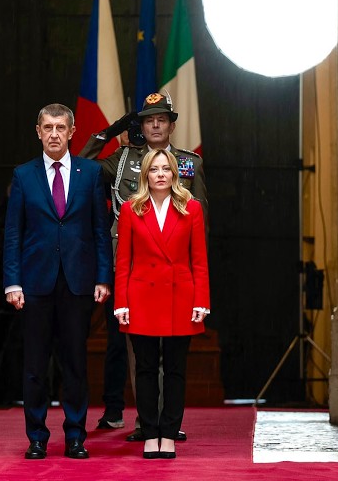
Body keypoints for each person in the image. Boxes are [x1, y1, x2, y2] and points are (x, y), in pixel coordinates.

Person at [79, 91, 205, 439]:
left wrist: (199, 282)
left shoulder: (187, 163)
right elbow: (82, 167)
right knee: (135, 348)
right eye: (148, 120)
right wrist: (107, 132)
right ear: (141, 125)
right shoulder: (122, 159)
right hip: (130, 265)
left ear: (170, 124)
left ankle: (166, 423)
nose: (154, 125)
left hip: (175, 267)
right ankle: (144, 419)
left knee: (172, 350)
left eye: (160, 119)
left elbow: (200, 218)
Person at [3, 103, 112, 460]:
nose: (53, 134)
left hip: (78, 283)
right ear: (38, 131)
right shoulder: (23, 175)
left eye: (60, 128)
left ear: (72, 131)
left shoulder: (91, 173)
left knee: (75, 363)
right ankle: (36, 437)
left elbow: (99, 230)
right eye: (47, 127)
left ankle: (76, 436)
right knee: (35, 365)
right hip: (34, 284)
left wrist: (102, 276)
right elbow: (13, 234)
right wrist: (12, 282)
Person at [113, 148, 209, 460]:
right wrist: (121, 302)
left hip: (180, 297)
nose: (160, 174)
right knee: (145, 369)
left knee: (176, 371)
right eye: (154, 169)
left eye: (165, 169)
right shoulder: (131, 209)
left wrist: (201, 300)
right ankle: (149, 432)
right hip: (141, 299)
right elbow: (124, 261)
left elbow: (199, 261)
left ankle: (168, 433)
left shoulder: (191, 208)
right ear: (145, 175)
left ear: (174, 173)